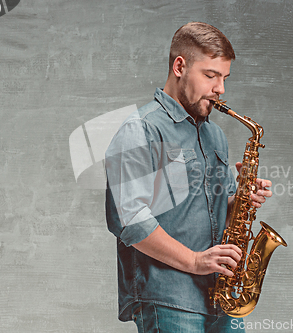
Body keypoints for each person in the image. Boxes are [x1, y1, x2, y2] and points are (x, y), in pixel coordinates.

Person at [105, 22, 273, 333]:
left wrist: (241, 202)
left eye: (224, 78)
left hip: (222, 296)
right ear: (180, 66)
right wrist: (196, 262)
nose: (220, 88)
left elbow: (211, 214)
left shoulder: (216, 136)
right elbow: (129, 220)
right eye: (211, 75)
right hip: (169, 299)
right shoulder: (142, 129)